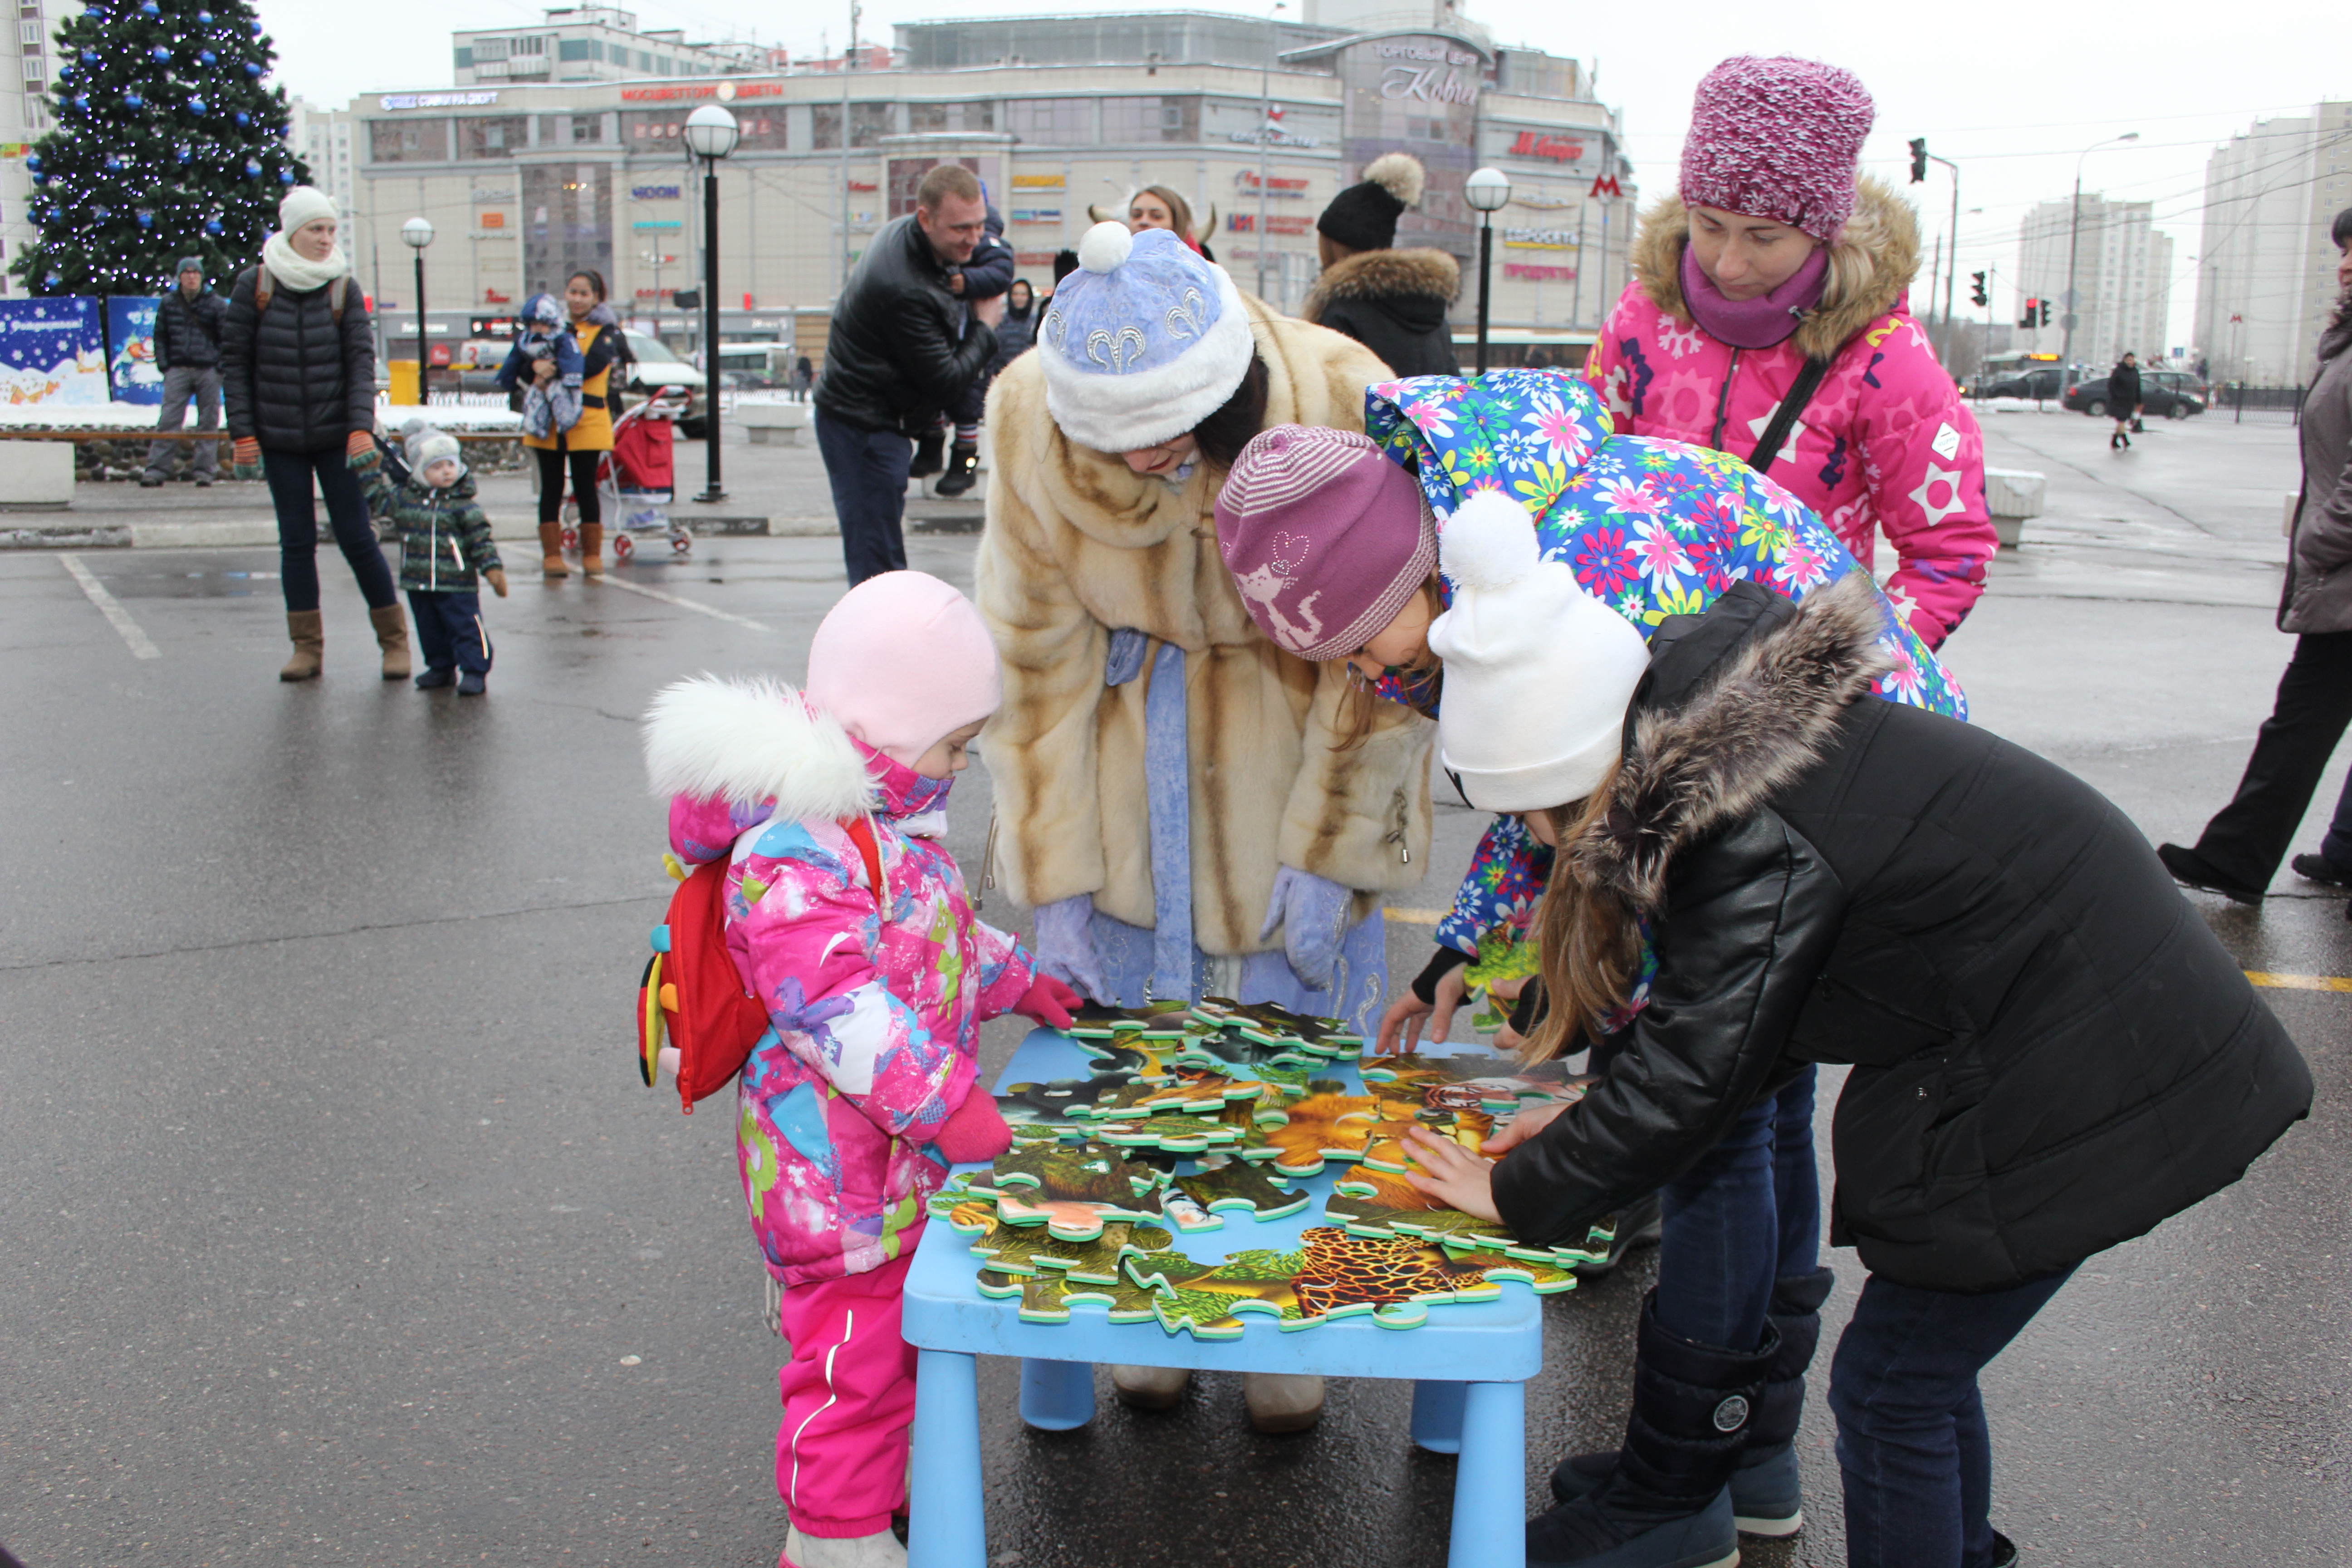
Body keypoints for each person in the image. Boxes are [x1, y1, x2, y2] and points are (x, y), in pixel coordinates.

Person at [1396, 496, 2309, 1568]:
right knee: (1916, 1370)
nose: (1546, 841)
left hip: (2095, 1059)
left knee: (1889, 1387)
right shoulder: (1727, 761)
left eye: (1546, 810)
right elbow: (1721, 1021)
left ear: (1589, 760)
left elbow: (1697, 1076)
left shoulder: (1741, 830)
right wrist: (1584, 1111)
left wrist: (1518, 1189)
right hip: (2083, 1034)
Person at [1215, 368, 1968, 1516]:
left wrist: (1602, 1050)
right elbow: (1547, 798)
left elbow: (1613, 829)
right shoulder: (1485, 553)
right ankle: (1746, 1461)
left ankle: (1681, 1494)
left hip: (1813, 821)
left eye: (1367, 645)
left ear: (1407, 568)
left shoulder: (1588, 563)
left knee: (1699, 1126)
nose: (1369, 677)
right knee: (1758, 1111)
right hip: (1789, 818)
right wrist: (1462, 945)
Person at [975, 221, 1417, 1432]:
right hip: (1127, 761)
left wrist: (1337, 843)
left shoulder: (1345, 391)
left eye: (1178, 435)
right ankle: (1143, 1303)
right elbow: (1032, 660)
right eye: (1127, 446)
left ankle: (1278, 1312)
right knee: (1131, 1069)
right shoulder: (1023, 415)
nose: (1161, 461)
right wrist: (1054, 873)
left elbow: (1394, 652)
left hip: (1296, 743)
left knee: (1288, 1066)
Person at [641, 571, 1080, 1568]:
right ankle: (832, 1537)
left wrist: (1016, 981)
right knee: (849, 1368)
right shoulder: (797, 851)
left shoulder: (882, 831)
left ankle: (884, 1494)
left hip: (887, 1175)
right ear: (888, 728)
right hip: (836, 1185)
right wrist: (951, 1106)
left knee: (895, 1355)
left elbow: (935, 942)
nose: (962, 766)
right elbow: (837, 1010)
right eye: (955, 744)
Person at [1586, 55, 1996, 653]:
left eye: (1763, 237)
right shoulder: (1641, 316)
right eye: (1709, 225)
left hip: (1777, 697)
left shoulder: (1883, 357)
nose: (1728, 264)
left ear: (1821, 230)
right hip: (1617, 661)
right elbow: (1578, 475)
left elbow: (1949, 550)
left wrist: (1840, 674)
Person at [2159, 210, 2352, 904]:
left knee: (2300, 722)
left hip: (2345, 569)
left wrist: (2322, 540)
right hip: (2341, 573)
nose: (2347, 263)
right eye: (2343, 251)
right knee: (2302, 720)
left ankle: (2237, 858)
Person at [222, 186, 407, 683]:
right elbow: (235, 366)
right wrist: (243, 434)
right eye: (315, 230)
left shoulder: (342, 288)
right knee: (296, 542)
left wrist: (358, 429)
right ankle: (306, 649)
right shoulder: (254, 286)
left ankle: (394, 642)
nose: (326, 239)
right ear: (292, 232)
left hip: (336, 439)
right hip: (279, 439)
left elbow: (360, 365)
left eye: (330, 230)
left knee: (357, 539)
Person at [815, 163, 1004, 584]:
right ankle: (880, 643)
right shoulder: (904, 287)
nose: (974, 239)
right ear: (925, 219)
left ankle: (887, 635)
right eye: (961, 229)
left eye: (980, 225)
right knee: (876, 560)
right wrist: (985, 327)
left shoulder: (914, 238)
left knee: (879, 546)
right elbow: (947, 379)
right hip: (862, 425)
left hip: (876, 417)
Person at [353, 425, 507, 695]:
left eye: (451, 464)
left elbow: (480, 540)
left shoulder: (464, 506)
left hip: (456, 583)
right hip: (419, 581)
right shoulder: (405, 500)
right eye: (437, 467)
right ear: (420, 473)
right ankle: (441, 668)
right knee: (430, 629)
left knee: (466, 627)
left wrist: (492, 569)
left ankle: (475, 671)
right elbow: (377, 499)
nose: (446, 471)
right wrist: (368, 471)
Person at [1303, 152, 1461, 377]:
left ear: (1334, 247)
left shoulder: (1343, 311)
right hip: (1426, 413)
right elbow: (1453, 385)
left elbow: (1332, 390)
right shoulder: (1434, 313)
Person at [514, 270, 623, 580]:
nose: (577, 299)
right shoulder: (549, 326)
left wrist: (550, 367)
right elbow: (521, 357)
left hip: (587, 419)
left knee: (586, 486)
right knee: (551, 487)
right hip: (548, 421)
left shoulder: (606, 331)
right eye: (572, 292)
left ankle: (591, 555)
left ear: (597, 298)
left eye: (584, 293)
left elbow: (593, 365)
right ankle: (552, 556)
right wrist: (533, 364)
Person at [931, 201, 1016, 499]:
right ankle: (931, 447)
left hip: (974, 339)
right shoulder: (937, 248)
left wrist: (964, 283)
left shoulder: (991, 248)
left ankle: (964, 464)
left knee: (968, 408)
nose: (968, 237)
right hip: (943, 335)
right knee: (932, 396)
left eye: (974, 228)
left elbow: (1001, 273)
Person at [142, 255, 226, 488]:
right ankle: (156, 471)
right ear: (179, 277)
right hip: (178, 368)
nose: (191, 277)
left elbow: (228, 338)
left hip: (208, 370)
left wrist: (220, 366)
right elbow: (160, 335)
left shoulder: (216, 304)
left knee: (208, 423)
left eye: (195, 273)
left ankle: (204, 472)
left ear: (201, 277)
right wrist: (165, 364)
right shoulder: (169, 303)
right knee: (169, 420)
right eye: (186, 273)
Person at [1127, 184, 1213, 261]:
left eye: (1157, 216)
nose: (1144, 221)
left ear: (1177, 223)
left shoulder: (1204, 270)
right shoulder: (1116, 266)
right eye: (1136, 215)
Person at [2108, 350, 2143, 449]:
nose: (2130, 362)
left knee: (2122, 421)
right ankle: (2125, 441)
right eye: (2129, 360)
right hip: (2119, 401)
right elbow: (2111, 385)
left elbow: (2138, 387)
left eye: (2132, 360)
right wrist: (2116, 395)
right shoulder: (2119, 371)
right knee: (2122, 421)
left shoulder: (2135, 372)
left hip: (2130, 402)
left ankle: (2114, 441)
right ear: (2125, 360)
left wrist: (2139, 401)